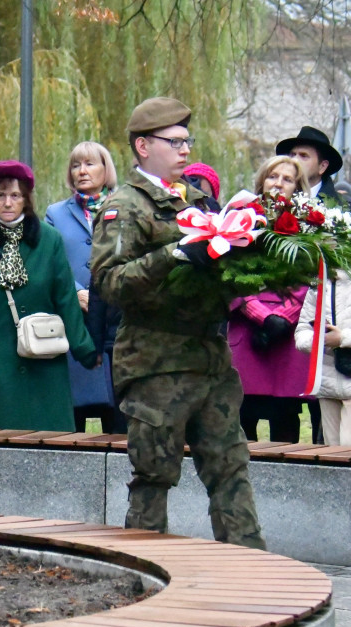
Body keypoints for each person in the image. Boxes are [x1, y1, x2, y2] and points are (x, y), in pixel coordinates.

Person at [90, 96, 266, 549]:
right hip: (156, 365)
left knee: (231, 469)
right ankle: (146, 577)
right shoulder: (124, 205)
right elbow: (109, 283)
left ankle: (254, 572)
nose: (186, 149)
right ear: (144, 146)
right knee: (154, 475)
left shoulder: (201, 199)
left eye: (188, 141)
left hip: (210, 360)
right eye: (175, 141)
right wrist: (173, 254)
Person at [0, 161, 97, 431]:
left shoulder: (49, 240)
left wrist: (85, 349)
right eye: (0, 195)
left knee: (50, 449)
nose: (8, 203)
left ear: (26, 199)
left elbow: (65, 299)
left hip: (45, 364)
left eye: (15, 195)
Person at [229, 156, 312, 443]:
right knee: (242, 423)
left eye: (287, 179)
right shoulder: (240, 220)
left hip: (286, 341)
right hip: (248, 334)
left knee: (286, 422)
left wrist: (282, 320)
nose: (278, 183)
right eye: (272, 176)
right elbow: (230, 277)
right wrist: (262, 316)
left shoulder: (310, 228)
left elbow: (310, 282)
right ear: (261, 181)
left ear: (297, 188)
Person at [45, 141, 120, 433]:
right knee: (75, 413)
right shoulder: (55, 213)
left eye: (90, 164)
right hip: (74, 313)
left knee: (117, 414)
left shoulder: (124, 206)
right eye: (75, 165)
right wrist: (76, 290)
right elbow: (52, 258)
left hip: (114, 315)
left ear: (105, 169)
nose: (82, 171)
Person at [295, 271, 351, 445]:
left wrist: (343, 338)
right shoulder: (320, 279)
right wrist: (317, 339)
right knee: (332, 455)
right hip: (327, 383)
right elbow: (302, 330)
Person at [276, 125, 344, 202]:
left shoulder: (342, 208)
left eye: (304, 156)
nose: (295, 160)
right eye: (292, 155)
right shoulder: (274, 199)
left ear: (322, 166)